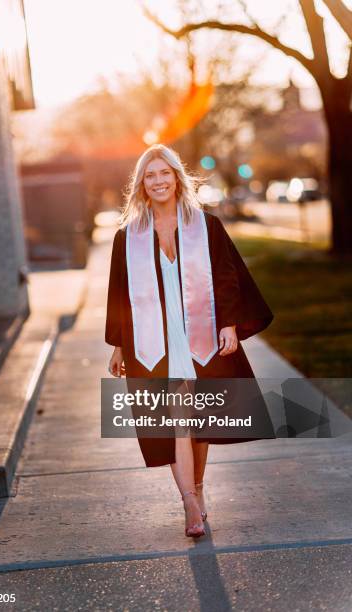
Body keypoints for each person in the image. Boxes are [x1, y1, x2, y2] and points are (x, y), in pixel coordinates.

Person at [105, 144, 274, 538]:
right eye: (150, 175)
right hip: (153, 341)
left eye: (165, 173)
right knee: (176, 423)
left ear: (177, 177)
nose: (159, 181)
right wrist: (117, 344)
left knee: (198, 424)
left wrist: (230, 324)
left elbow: (226, 277)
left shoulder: (205, 226)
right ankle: (190, 506)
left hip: (198, 332)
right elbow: (118, 294)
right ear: (141, 185)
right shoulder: (127, 237)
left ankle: (197, 490)